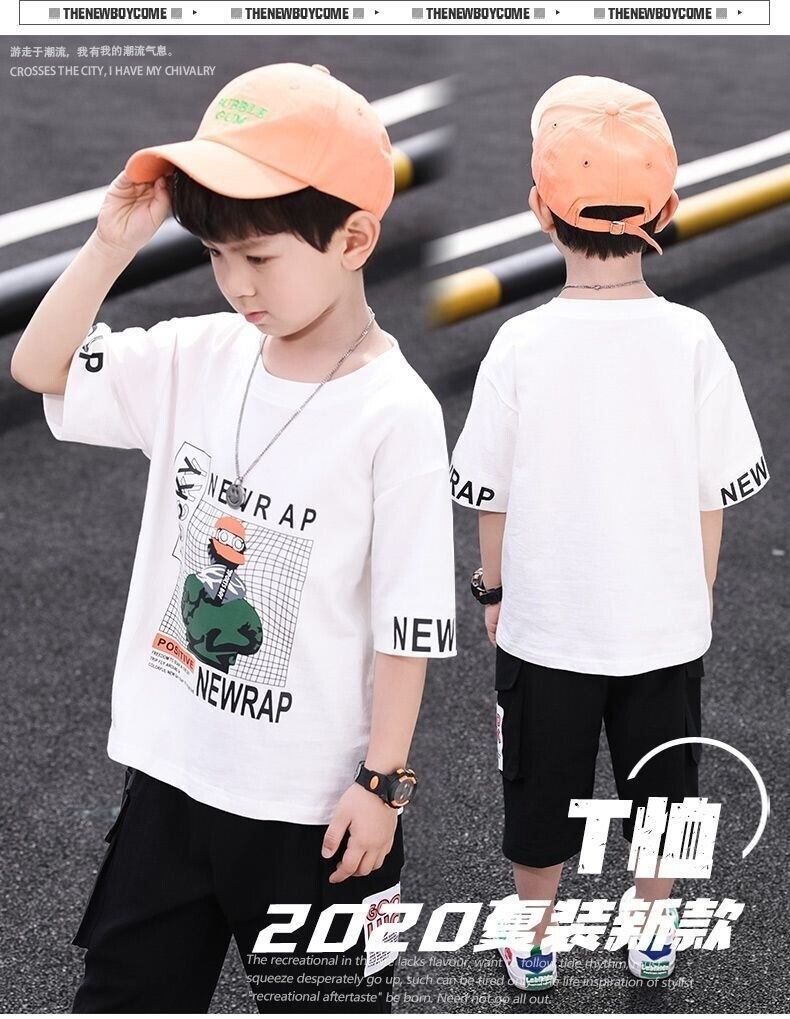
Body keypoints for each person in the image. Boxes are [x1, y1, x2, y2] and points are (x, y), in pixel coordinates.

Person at [11, 62, 457, 1013]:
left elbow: (407, 623)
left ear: (354, 238)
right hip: (171, 781)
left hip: (317, 813)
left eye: (258, 257)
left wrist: (382, 784)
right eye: (216, 255)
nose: (235, 285)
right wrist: (110, 244)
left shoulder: (396, 413)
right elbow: (39, 366)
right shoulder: (197, 355)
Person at [449, 75, 769, 990]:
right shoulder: (693, 339)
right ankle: (652, 931)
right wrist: (695, 593)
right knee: (663, 790)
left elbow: (489, 493)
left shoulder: (518, 344)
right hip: (663, 627)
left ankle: (535, 940)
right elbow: (714, 494)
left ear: (538, 210)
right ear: (666, 210)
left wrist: (493, 592)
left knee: (538, 787)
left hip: (547, 627)